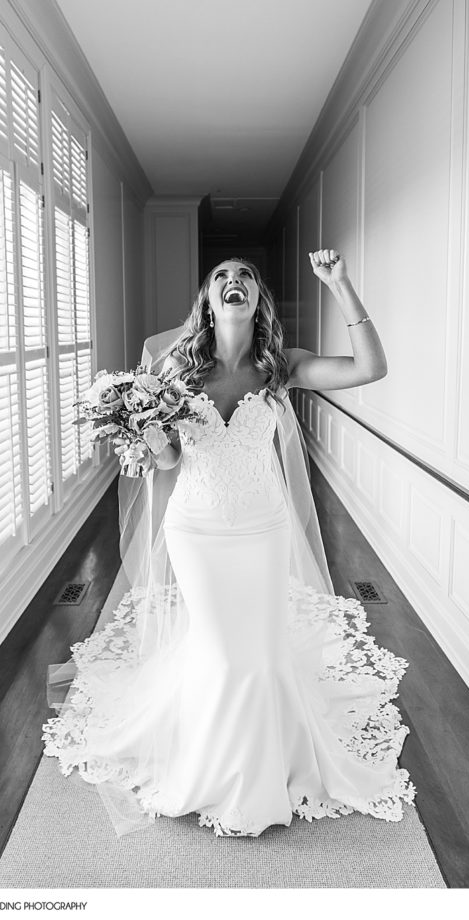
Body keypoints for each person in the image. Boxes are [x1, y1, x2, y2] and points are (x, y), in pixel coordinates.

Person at [43, 250, 416, 838]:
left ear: (257, 298)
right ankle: (208, 770)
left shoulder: (281, 367)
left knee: (262, 653)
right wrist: (144, 435)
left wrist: (340, 284)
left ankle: (269, 769)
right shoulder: (174, 369)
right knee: (220, 651)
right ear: (208, 303)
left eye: (243, 276)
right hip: (196, 530)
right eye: (220, 277)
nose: (232, 282)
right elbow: (167, 460)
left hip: (264, 530)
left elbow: (371, 368)